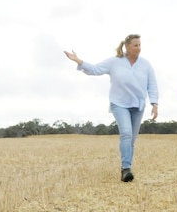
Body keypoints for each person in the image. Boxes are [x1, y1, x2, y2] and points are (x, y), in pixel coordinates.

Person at [64, 34, 159, 182]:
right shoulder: (115, 62)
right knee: (126, 133)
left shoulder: (146, 65)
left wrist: (154, 104)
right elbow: (95, 69)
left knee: (131, 139)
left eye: (140, 45)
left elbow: (152, 85)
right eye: (135, 45)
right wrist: (79, 61)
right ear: (127, 47)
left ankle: (127, 166)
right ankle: (125, 169)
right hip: (119, 104)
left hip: (138, 105)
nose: (139, 48)